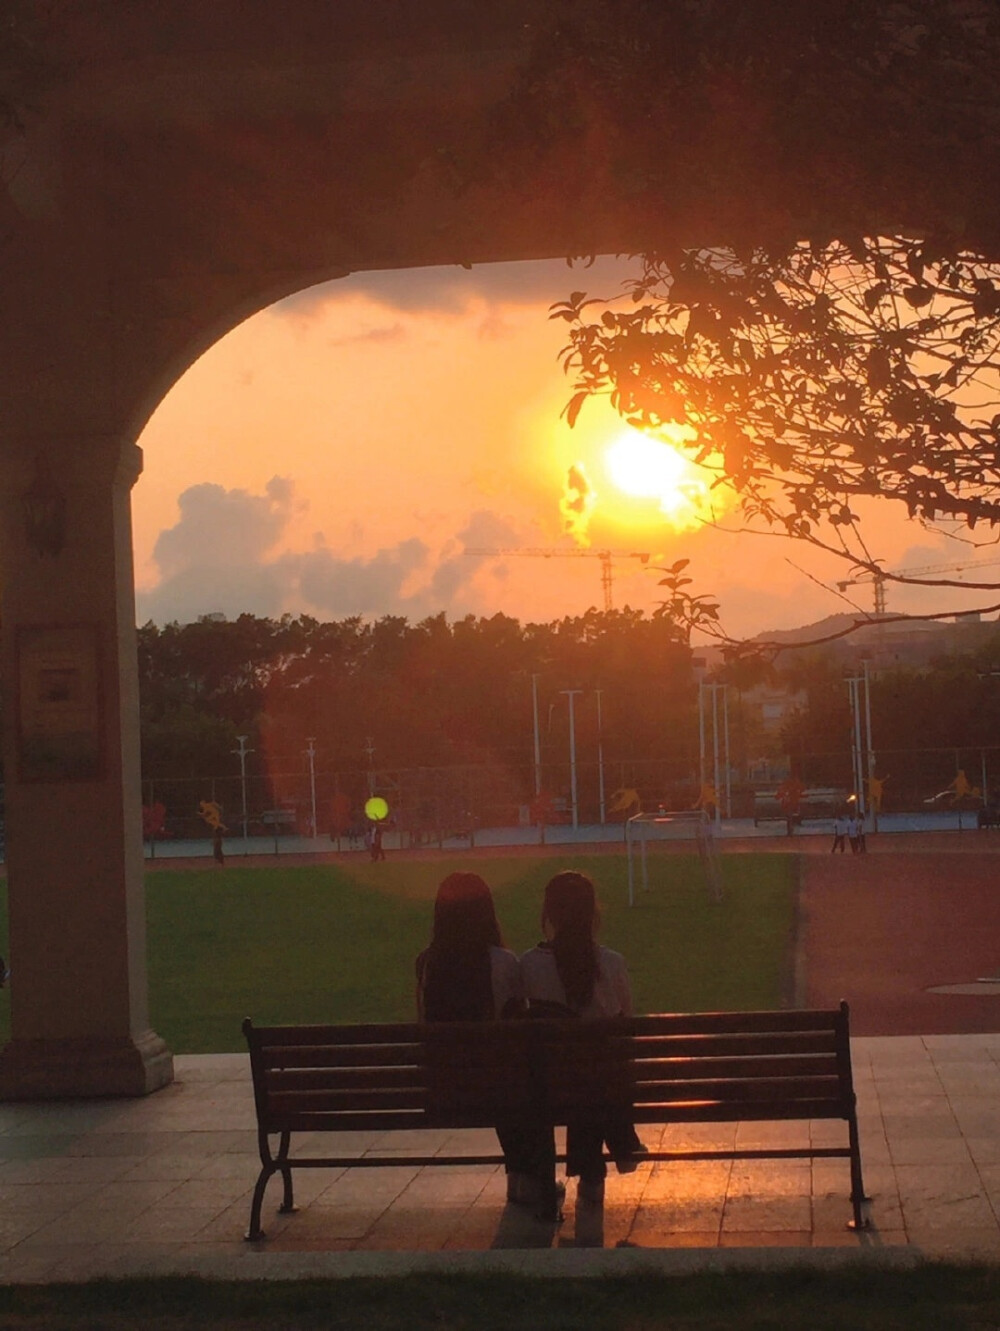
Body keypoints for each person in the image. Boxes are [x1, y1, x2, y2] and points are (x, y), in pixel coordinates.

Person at [519, 870, 646, 1207]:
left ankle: (591, 1172)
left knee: (573, 1075)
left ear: (549, 913)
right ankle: (617, 1145)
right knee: (597, 1072)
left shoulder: (529, 966)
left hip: (550, 1090)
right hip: (602, 1090)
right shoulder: (612, 964)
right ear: (593, 914)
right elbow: (627, 1028)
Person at [415, 873, 529, 1199]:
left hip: (443, 1089)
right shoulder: (503, 963)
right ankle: (524, 1179)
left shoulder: (426, 964)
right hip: (495, 1089)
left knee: (502, 1075)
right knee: (517, 1077)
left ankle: (521, 1176)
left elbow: (424, 1027)